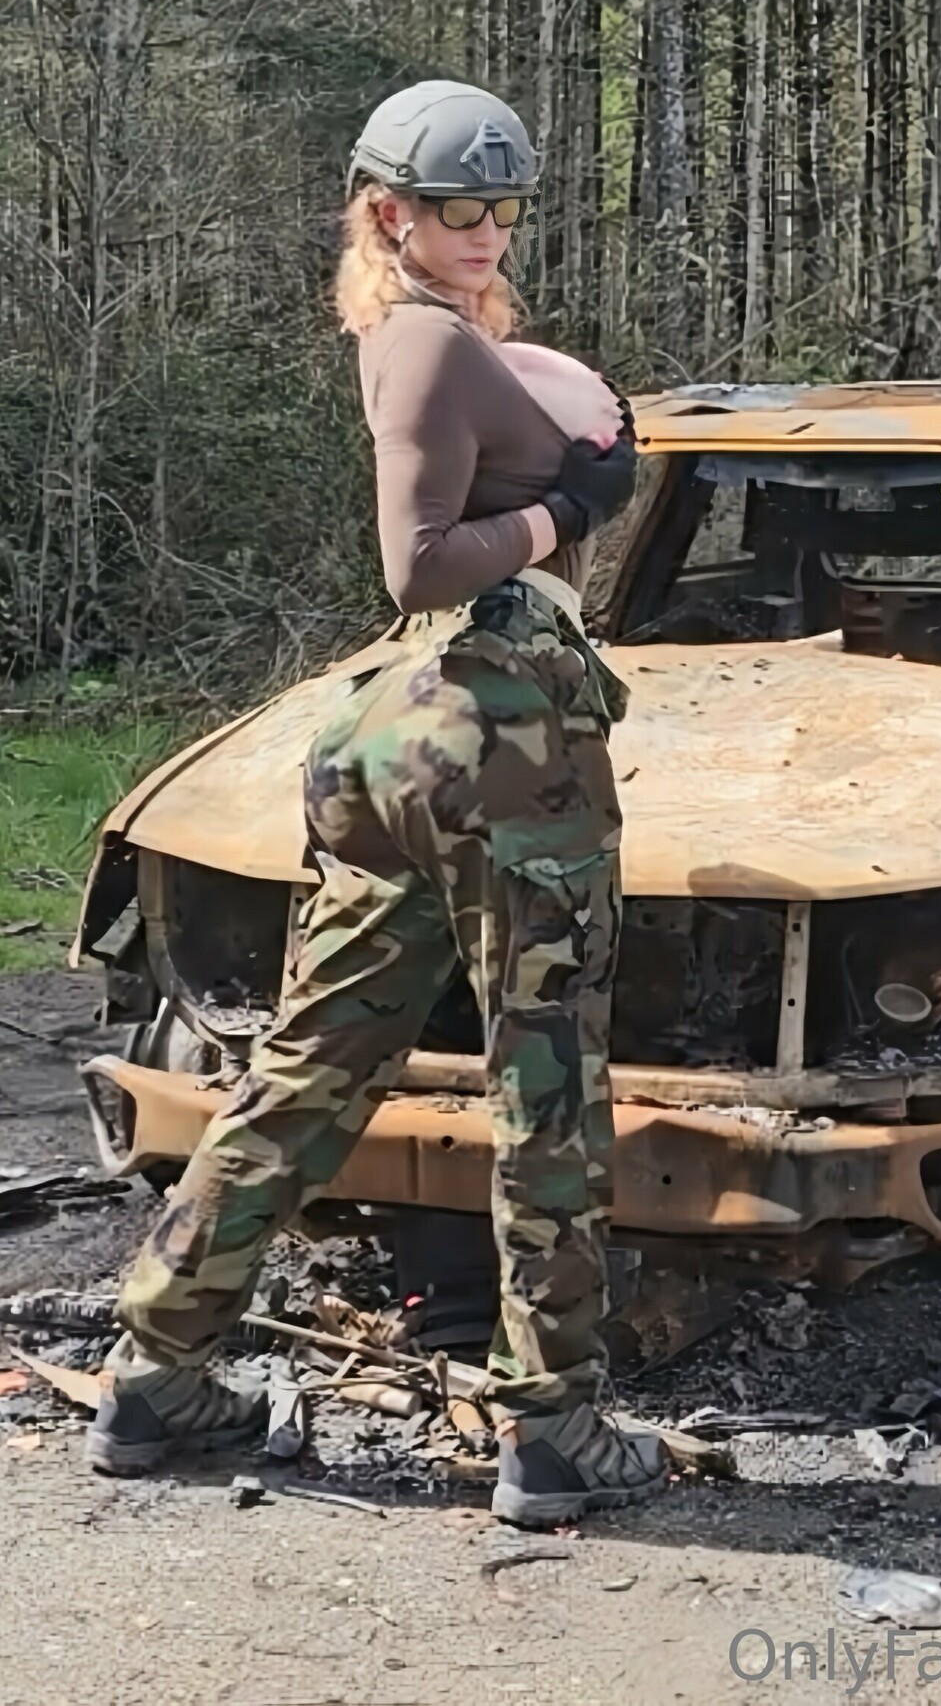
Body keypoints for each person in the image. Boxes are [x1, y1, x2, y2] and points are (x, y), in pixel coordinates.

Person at [86, 80, 668, 1528]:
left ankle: (157, 1372)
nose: (487, 231)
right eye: (459, 208)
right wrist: (575, 506)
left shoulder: (422, 334)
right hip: (498, 726)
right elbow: (417, 564)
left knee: (316, 1061)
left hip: (395, 741)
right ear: (387, 210)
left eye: (505, 208)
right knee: (544, 1076)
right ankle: (553, 1424)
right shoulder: (425, 340)